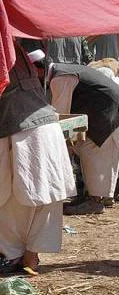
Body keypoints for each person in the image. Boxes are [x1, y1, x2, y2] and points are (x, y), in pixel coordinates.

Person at [0, 43, 75, 274]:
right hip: (45, 125)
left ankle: (11, 255)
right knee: (46, 195)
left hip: (21, 130)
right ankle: (30, 256)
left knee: (12, 199)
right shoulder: (12, 46)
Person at [43, 61, 119, 215]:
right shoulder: (64, 71)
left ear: (38, 70)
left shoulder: (59, 79)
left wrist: (62, 149)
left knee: (96, 152)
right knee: (84, 149)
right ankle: (92, 196)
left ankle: (96, 201)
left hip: (112, 112)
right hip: (103, 110)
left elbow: (62, 117)